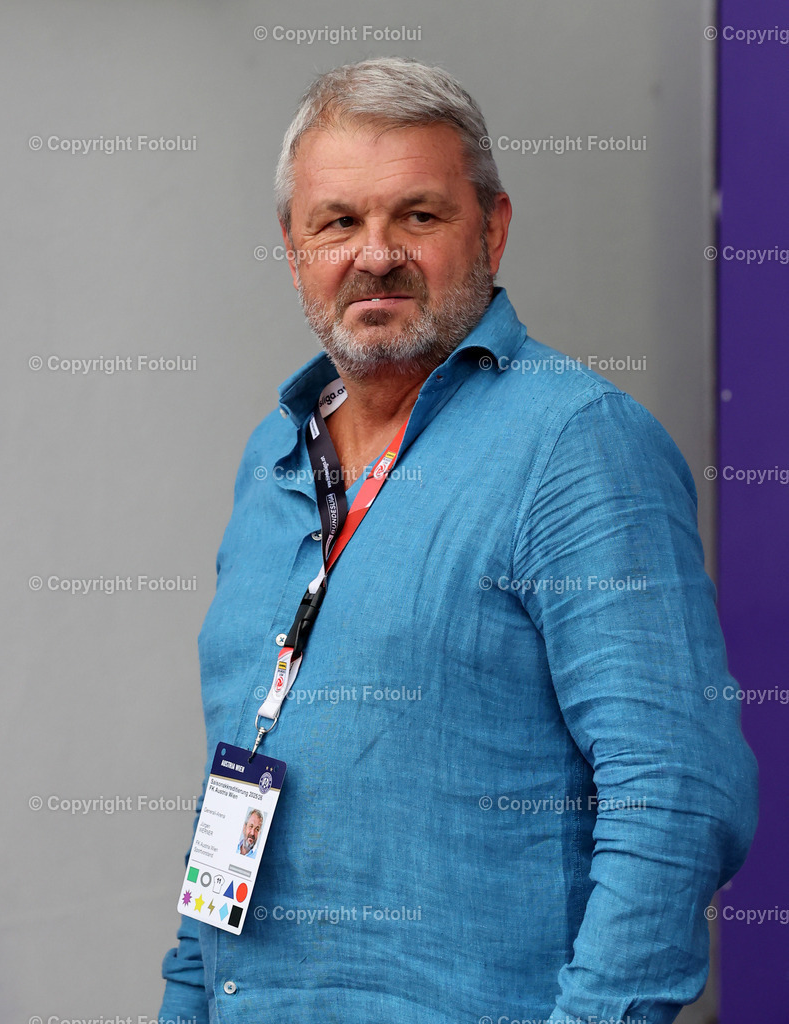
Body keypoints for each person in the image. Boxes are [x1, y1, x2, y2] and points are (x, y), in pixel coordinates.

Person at [160, 57, 757, 1024]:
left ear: (494, 228)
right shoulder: (273, 455)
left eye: (419, 216)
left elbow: (678, 793)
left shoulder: (576, 443)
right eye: (339, 221)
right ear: (293, 245)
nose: (377, 253)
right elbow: (232, 782)